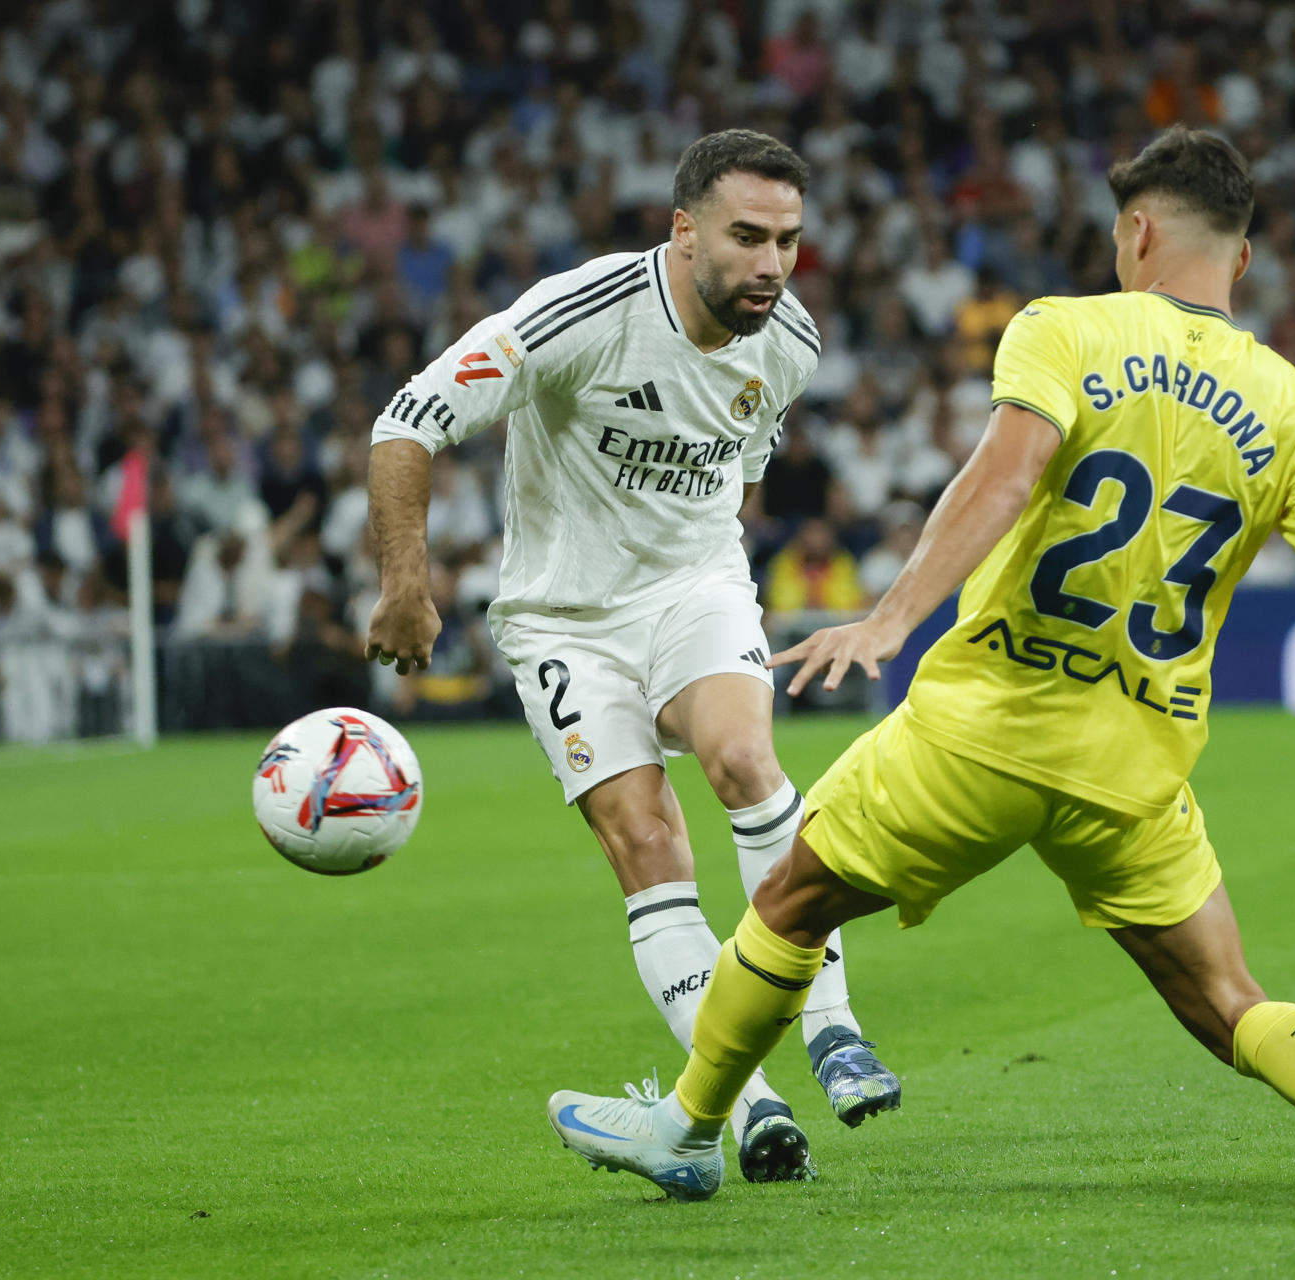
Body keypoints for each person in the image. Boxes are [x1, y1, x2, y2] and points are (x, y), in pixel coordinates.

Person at [546, 127, 1295, 1205]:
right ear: (1240, 260)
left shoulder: (1066, 330)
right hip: (1135, 772)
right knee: (1227, 997)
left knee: (788, 902)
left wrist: (891, 617)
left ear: (1138, 232)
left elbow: (1006, 478)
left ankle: (687, 1125)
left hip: (982, 732)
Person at [362, 130, 899, 1185]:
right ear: (683, 228)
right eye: (748, 236)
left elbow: (733, 471)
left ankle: (834, 1028)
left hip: (693, 585)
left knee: (746, 761)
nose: (772, 263)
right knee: (648, 842)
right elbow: (408, 418)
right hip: (561, 617)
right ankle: (746, 1104)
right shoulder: (583, 312)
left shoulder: (790, 340)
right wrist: (406, 581)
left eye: (790, 239)